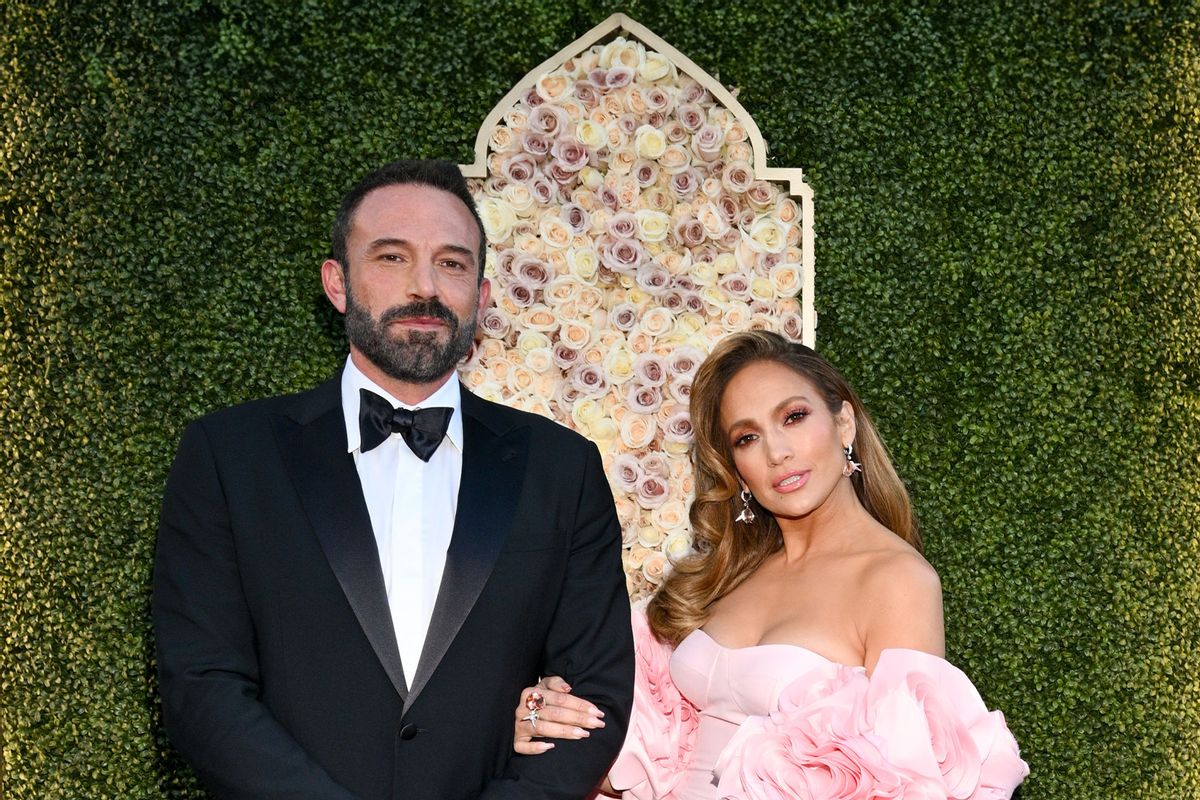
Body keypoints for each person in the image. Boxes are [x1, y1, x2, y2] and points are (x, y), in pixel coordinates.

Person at [153, 159, 634, 800]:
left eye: (453, 263)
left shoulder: (562, 468)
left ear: (483, 296)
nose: (425, 287)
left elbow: (594, 693)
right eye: (391, 257)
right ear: (337, 283)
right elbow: (200, 684)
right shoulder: (229, 455)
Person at [512, 331, 1028, 799]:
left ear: (844, 422)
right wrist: (553, 720)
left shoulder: (896, 581)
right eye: (747, 437)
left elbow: (907, 782)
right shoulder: (725, 574)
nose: (777, 452)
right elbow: (644, 763)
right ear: (736, 469)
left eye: (794, 417)